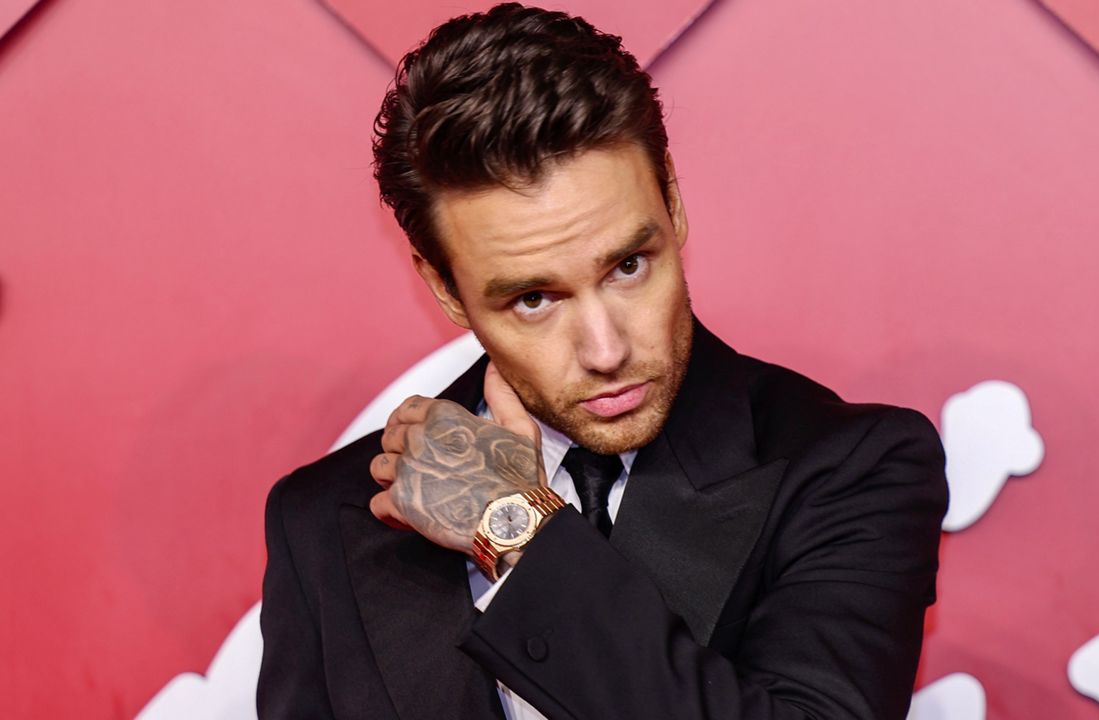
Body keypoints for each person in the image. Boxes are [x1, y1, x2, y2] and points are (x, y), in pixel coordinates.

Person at [257, 3, 948, 719]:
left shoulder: (850, 467)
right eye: (532, 299)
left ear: (672, 204)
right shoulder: (326, 522)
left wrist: (513, 526)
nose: (607, 350)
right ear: (445, 288)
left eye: (628, 266)